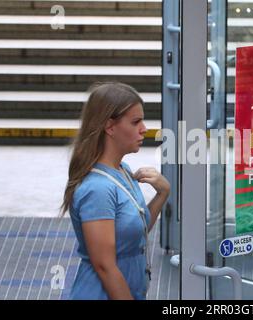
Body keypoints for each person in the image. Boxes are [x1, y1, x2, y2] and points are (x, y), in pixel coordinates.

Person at [60, 82, 170, 300]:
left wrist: (162, 194)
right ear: (110, 127)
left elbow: (132, 232)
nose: (144, 129)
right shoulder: (98, 190)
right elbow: (104, 266)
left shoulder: (123, 170)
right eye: (135, 122)